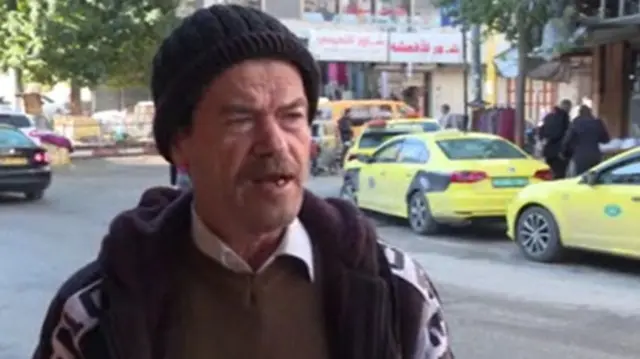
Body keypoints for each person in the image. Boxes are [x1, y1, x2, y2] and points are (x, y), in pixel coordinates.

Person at [31, 5, 453, 359]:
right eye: (240, 119)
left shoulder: (397, 292)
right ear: (180, 144)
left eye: (291, 117)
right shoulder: (95, 313)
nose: (273, 144)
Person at [562, 105, 610, 175]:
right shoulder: (597, 122)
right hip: (595, 156)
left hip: (579, 157)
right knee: (594, 178)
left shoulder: (576, 123)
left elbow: (567, 140)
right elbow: (606, 140)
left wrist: (564, 153)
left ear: (580, 113)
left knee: (580, 179)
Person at [539, 99, 572, 179]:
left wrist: (545, 140)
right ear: (568, 108)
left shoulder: (548, 116)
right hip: (560, 152)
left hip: (548, 151)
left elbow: (541, 131)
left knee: (549, 174)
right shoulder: (565, 118)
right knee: (559, 176)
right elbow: (567, 135)